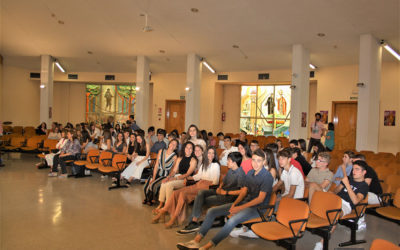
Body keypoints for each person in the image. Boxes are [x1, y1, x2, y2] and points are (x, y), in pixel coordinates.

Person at [177, 149, 273, 250]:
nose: (256, 163)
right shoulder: (250, 173)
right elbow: (244, 191)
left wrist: (239, 208)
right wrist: (235, 204)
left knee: (232, 220)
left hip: (258, 208)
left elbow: (260, 199)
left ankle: (207, 247)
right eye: (254, 160)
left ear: (264, 161)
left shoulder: (267, 177)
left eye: (259, 160)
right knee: (211, 211)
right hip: (245, 203)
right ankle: (196, 241)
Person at [177, 152, 245, 235]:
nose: (227, 162)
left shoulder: (241, 174)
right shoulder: (231, 170)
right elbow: (223, 182)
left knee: (203, 200)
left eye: (229, 160)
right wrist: (220, 187)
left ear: (234, 162)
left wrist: (226, 192)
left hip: (228, 196)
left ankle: (193, 222)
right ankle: (194, 222)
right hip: (221, 191)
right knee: (201, 192)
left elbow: (242, 192)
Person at [152, 147, 220, 228]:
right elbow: (198, 176)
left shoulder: (216, 165)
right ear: (206, 154)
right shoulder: (204, 164)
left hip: (207, 186)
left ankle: (174, 218)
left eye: (213, 153)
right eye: (209, 153)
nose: (211, 155)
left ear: (215, 155)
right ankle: (163, 212)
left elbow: (215, 181)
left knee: (183, 194)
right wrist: (187, 178)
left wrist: (204, 180)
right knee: (175, 193)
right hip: (199, 183)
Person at [314, 161, 369, 250]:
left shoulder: (364, 186)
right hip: (335, 199)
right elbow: (335, 191)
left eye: (357, 169)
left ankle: (321, 243)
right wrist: (331, 193)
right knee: (314, 191)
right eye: (353, 169)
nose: (354, 171)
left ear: (364, 172)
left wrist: (347, 185)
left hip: (346, 205)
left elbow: (355, 201)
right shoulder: (348, 179)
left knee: (335, 214)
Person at [154, 142, 197, 213]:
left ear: (192, 150)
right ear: (184, 148)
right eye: (187, 147)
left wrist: (175, 178)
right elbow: (174, 171)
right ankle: (161, 204)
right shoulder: (180, 158)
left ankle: (168, 207)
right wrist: (168, 177)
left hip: (186, 180)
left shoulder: (193, 160)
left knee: (169, 185)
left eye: (190, 148)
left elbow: (187, 174)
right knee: (164, 182)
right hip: (178, 176)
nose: (188, 149)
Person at [143, 139, 178, 205]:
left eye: (174, 145)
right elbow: (156, 165)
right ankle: (148, 198)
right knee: (147, 184)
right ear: (169, 144)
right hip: (157, 172)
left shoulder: (175, 156)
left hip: (165, 175)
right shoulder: (161, 151)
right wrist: (153, 177)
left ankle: (152, 199)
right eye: (172, 143)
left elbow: (173, 169)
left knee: (153, 185)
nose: (172, 145)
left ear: (176, 147)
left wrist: (168, 177)